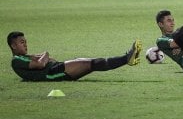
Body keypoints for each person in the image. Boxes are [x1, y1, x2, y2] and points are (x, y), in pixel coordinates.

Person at [7, 31, 142, 81]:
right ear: (13, 46)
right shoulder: (16, 60)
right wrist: (45, 54)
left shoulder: (24, 58)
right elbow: (41, 63)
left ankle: (127, 58)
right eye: (22, 42)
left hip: (56, 68)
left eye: (25, 42)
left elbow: (47, 60)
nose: (25, 45)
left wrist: (44, 57)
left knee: (90, 62)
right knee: (91, 63)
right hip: (53, 73)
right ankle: (127, 58)